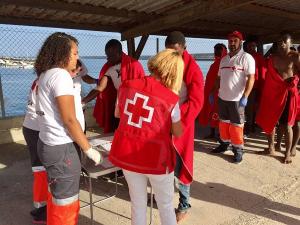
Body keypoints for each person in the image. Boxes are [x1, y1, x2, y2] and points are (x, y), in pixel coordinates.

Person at [109, 49, 183, 225]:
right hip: (157, 159)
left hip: (128, 155)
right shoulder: (170, 98)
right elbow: (178, 131)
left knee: (138, 203)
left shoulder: (126, 85)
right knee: (165, 204)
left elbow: (118, 114)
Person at [35, 32, 102, 225]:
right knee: (66, 203)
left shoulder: (45, 75)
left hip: (47, 143)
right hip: (62, 148)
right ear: (63, 54)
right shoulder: (61, 76)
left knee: (56, 196)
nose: (77, 58)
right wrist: (89, 150)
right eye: (74, 53)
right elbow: (69, 120)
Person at [165, 31, 204, 222]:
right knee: (164, 162)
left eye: (176, 51)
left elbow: (197, 101)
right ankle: (164, 196)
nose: (172, 55)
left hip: (182, 123)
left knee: (182, 164)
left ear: (184, 48)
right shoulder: (167, 63)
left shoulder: (193, 69)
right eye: (169, 51)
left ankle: (184, 204)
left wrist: (176, 120)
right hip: (163, 121)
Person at [82, 39, 145, 133]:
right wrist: (83, 101)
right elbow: (100, 87)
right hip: (119, 102)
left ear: (119, 53)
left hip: (134, 103)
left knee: (132, 130)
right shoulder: (109, 67)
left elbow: (143, 88)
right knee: (117, 127)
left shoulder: (134, 65)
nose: (108, 59)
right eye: (107, 56)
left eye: (111, 56)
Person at [211, 31, 255, 164]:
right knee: (223, 124)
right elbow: (218, 78)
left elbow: (251, 78)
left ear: (240, 42)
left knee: (236, 126)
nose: (232, 43)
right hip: (222, 98)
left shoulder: (246, 58)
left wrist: (245, 96)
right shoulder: (224, 59)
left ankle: (238, 150)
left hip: (237, 99)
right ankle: (224, 144)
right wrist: (213, 92)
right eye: (230, 41)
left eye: (235, 40)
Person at [256, 32, 300, 164]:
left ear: (290, 43)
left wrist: (295, 82)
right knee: (270, 120)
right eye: (279, 42)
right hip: (273, 93)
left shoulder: (295, 57)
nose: (281, 44)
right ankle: (271, 147)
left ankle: (287, 153)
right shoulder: (272, 58)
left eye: (284, 42)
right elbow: (267, 74)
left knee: (287, 125)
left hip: (288, 94)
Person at [22, 79, 48, 224]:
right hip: (37, 129)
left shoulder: (42, 78)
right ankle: (42, 210)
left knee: (39, 171)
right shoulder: (48, 80)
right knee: (42, 172)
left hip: (31, 127)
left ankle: (40, 207)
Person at [199, 43, 227, 139]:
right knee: (212, 112)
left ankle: (220, 134)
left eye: (218, 51)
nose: (216, 53)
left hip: (221, 93)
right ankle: (212, 133)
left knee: (220, 114)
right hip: (212, 93)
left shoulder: (225, 64)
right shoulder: (214, 64)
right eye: (215, 50)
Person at [244, 38, 266, 135]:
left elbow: (262, 73)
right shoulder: (244, 56)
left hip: (254, 87)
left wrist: (261, 87)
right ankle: (250, 125)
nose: (252, 48)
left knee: (250, 108)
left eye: (254, 46)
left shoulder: (259, 57)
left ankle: (250, 126)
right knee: (247, 108)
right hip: (243, 86)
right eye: (250, 46)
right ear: (246, 47)